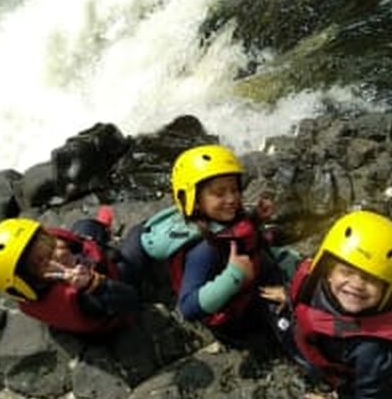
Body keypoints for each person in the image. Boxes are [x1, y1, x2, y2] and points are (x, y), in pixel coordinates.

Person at [118, 144, 293, 342]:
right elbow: (188, 307)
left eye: (235, 190)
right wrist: (234, 276)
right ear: (195, 201)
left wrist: (256, 218)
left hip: (243, 270)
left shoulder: (219, 218)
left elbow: (234, 229)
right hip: (233, 306)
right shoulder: (204, 250)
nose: (231, 199)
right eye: (219, 193)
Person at [260, 210, 392, 399]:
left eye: (370, 279)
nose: (357, 285)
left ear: (386, 289)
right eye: (347, 272)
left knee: (277, 332)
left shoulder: (372, 348)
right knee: (263, 306)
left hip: (335, 365)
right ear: (328, 271)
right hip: (313, 332)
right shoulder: (315, 280)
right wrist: (288, 295)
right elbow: (310, 295)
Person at [0, 208, 139, 334]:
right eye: (43, 262)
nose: (59, 252)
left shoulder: (28, 290)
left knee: (84, 226)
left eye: (50, 243)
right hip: (114, 291)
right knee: (138, 235)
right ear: (30, 283)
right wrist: (93, 284)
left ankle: (100, 232)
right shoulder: (79, 300)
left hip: (83, 269)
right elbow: (131, 300)